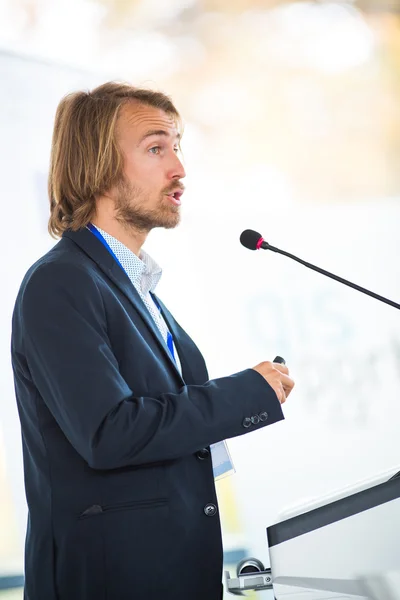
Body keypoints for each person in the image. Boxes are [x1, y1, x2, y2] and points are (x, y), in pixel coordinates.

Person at [11, 82, 294, 600]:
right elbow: (109, 432)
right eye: (156, 147)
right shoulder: (61, 282)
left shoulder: (131, 287)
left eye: (178, 145)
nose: (179, 168)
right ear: (98, 165)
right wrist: (245, 394)